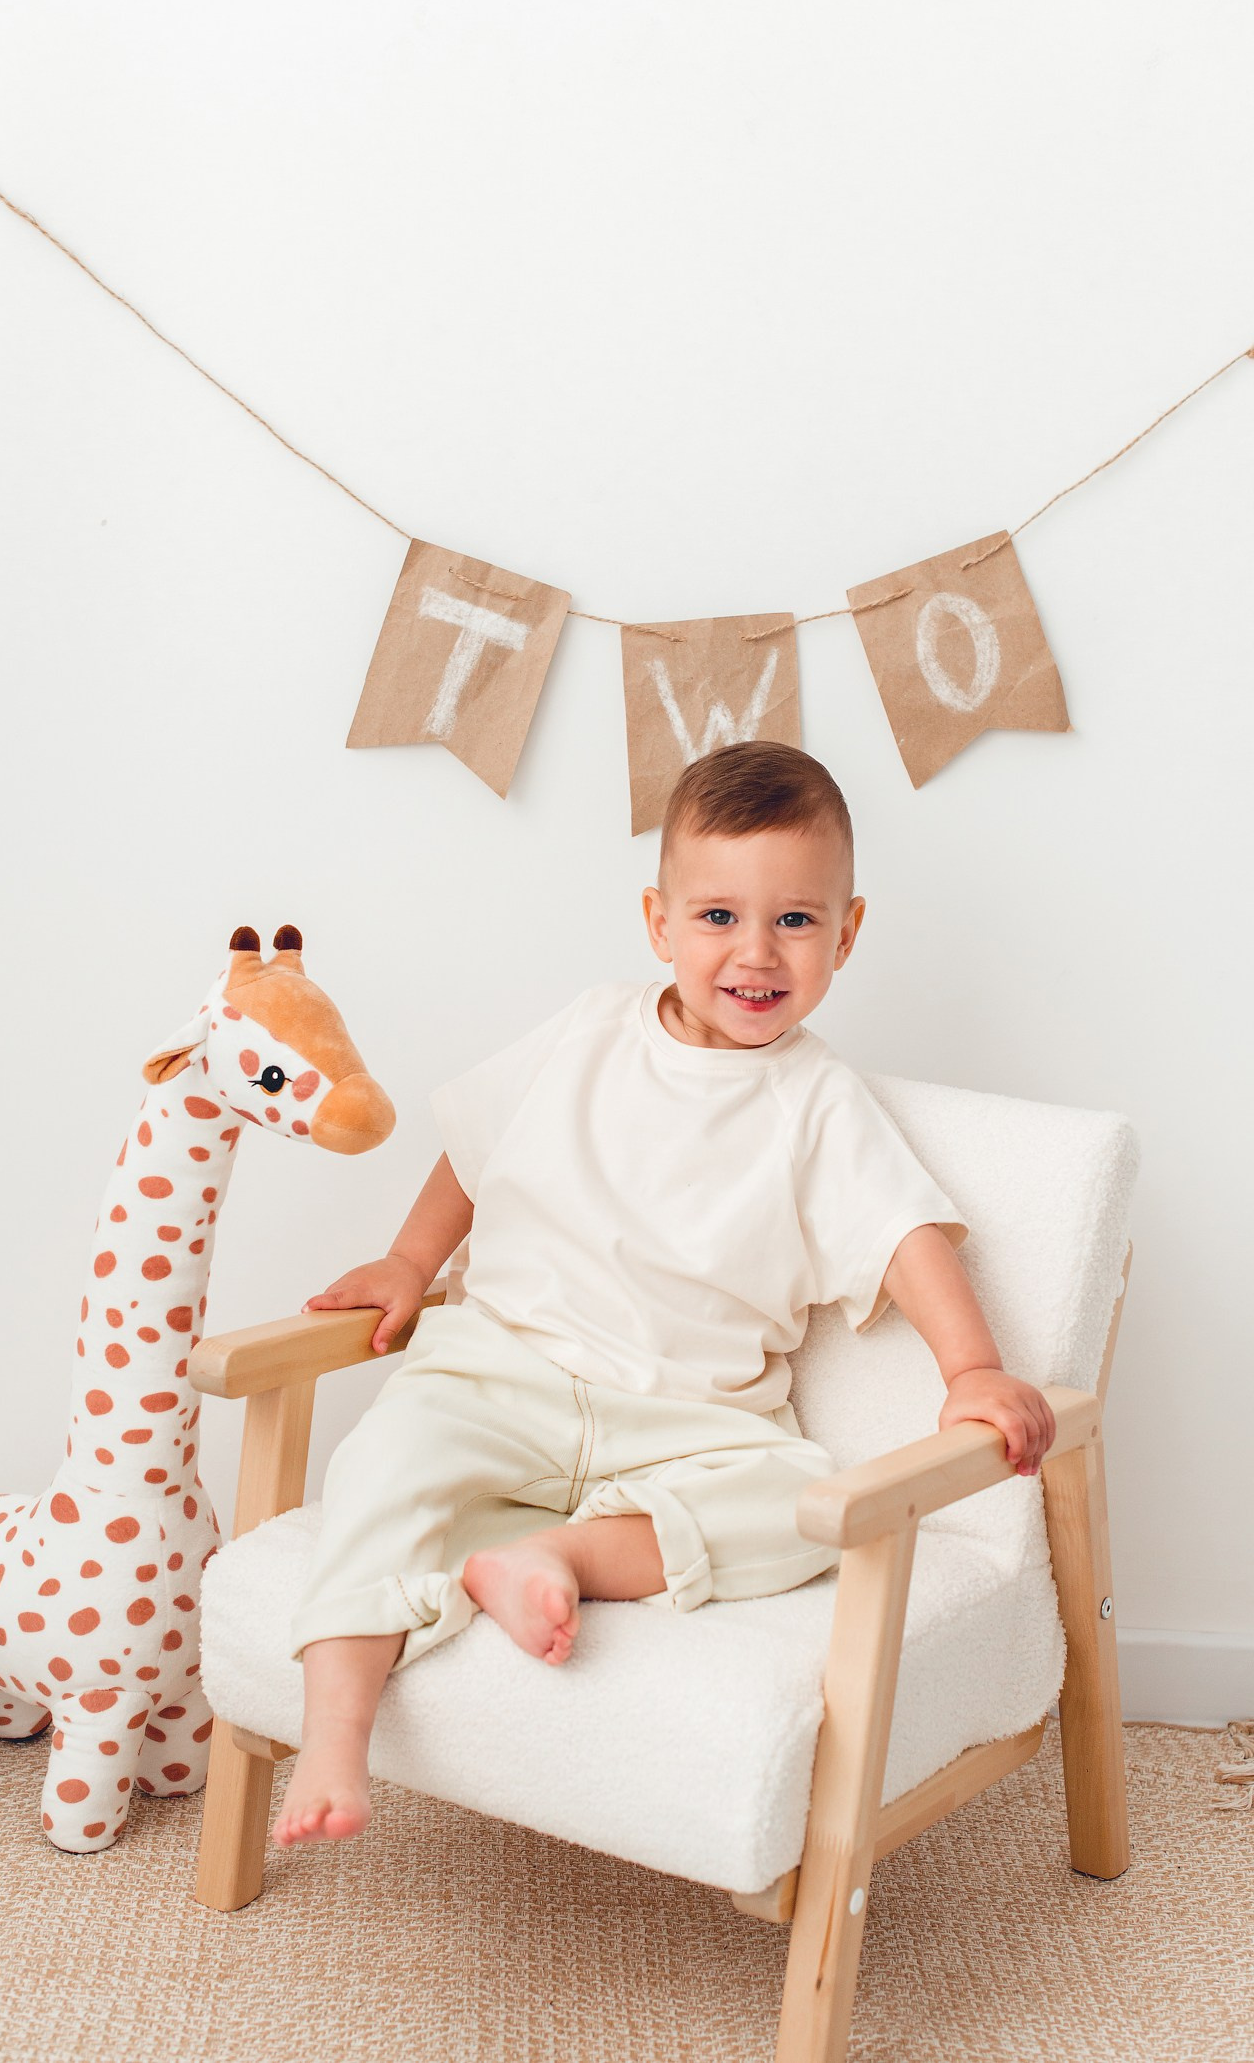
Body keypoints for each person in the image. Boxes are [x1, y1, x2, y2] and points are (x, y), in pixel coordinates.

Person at [271, 740, 1056, 1848]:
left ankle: (554, 1559)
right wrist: (408, 1262)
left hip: (693, 1417)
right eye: (717, 916)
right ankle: (334, 1735)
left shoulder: (818, 1102)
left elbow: (903, 1238)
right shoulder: (589, 1033)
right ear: (659, 922)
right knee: (383, 1468)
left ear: (846, 933)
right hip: (505, 1369)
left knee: (804, 1504)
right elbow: (471, 1150)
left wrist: (970, 1367)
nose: (755, 952)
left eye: (794, 920)